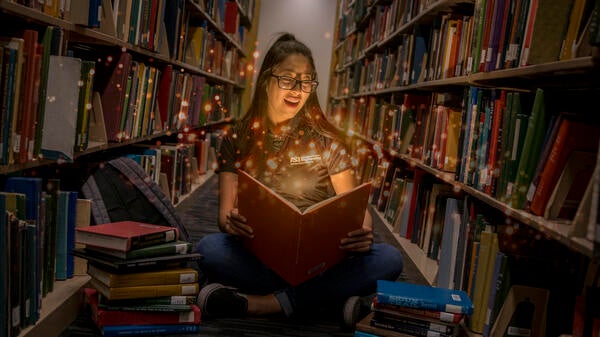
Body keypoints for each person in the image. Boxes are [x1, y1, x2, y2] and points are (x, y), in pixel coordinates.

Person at [194, 32, 403, 327]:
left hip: (321, 262)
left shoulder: (328, 140)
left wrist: (362, 233)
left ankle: (263, 304)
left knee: (389, 259)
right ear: (267, 78)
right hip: (261, 255)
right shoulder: (238, 137)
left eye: (306, 81)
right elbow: (224, 217)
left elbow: (360, 212)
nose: (298, 90)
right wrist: (233, 221)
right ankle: (326, 302)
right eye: (288, 78)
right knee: (208, 249)